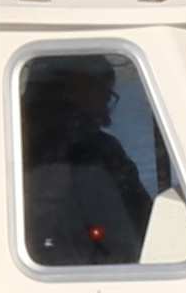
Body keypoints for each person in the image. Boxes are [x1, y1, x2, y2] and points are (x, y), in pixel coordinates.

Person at [22, 56, 160, 267]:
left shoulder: (104, 151)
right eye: (101, 91)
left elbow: (144, 218)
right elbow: (138, 231)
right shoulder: (91, 156)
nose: (105, 102)